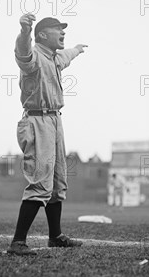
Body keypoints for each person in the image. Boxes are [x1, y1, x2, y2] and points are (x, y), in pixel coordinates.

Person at [7, 14, 88, 256]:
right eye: (58, 30)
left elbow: (67, 56)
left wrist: (77, 49)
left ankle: (56, 237)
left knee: (58, 182)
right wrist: (24, 31)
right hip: (37, 120)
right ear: (42, 35)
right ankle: (18, 242)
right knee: (41, 182)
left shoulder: (54, 57)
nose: (63, 33)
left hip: (54, 120)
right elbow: (22, 53)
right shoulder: (33, 56)